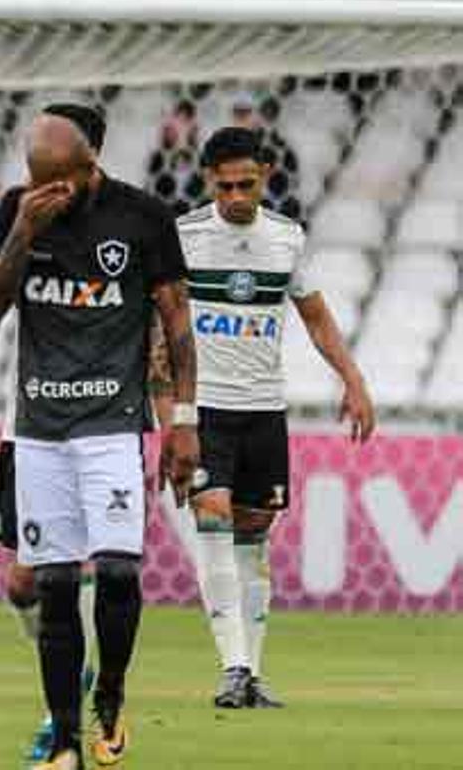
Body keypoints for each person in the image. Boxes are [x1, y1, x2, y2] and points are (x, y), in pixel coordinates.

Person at [0, 103, 199, 769]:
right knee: (36, 583)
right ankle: (67, 734)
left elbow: (172, 325)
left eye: (58, 178)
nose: (46, 189)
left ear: (90, 163)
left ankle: (104, 690)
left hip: (112, 421)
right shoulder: (20, 209)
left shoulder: (141, 219)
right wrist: (22, 228)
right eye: (34, 176)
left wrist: (181, 422)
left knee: (113, 570)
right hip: (35, 424)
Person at [179, 126, 375, 710]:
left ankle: (253, 673)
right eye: (225, 187)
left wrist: (354, 378)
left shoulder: (288, 238)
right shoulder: (184, 237)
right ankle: (232, 667)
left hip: (264, 409)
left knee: (252, 540)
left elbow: (315, 318)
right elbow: (160, 324)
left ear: (265, 176)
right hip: (206, 408)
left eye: (247, 184)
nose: (237, 197)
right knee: (212, 525)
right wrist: (171, 411)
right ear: (208, 181)